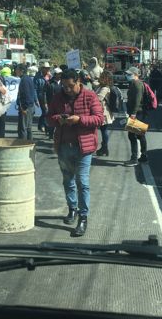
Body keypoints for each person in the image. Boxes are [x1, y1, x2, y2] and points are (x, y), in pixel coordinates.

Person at [47, 69, 104, 237]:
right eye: (64, 86)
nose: (67, 89)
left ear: (78, 81)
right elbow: (48, 118)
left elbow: (99, 119)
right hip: (64, 145)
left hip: (84, 148)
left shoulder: (90, 96)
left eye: (70, 86)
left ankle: (83, 217)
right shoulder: (58, 96)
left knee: (82, 182)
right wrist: (59, 119)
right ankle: (72, 209)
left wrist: (80, 119)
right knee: (68, 180)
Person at [125, 66, 148, 167]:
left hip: (137, 112)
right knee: (140, 135)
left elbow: (137, 100)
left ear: (135, 75)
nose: (127, 76)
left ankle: (134, 159)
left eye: (129, 74)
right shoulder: (135, 83)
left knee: (132, 135)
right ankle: (143, 155)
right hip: (139, 112)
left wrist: (133, 114)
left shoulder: (136, 84)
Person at [14, 63, 38, 141]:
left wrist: (24, 108)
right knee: (28, 127)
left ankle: (23, 145)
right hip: (30, 106)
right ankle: (29, 144)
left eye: (17, 70)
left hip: (27, 107)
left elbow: (26, 95)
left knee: (23, 128)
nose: (15, 71)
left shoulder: (24, 80)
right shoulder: (27, 78)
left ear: (22, 70)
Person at [95, 70, 115, 157]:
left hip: (104, 112)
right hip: (103, 111)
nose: (100, 77)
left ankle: (104, 148)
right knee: (104, 130)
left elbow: (98, 98)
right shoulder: (102, 86)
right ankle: (104, 148)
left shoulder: (105, 88)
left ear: (105, 78)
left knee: (104, 130)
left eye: (102, 76)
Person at [44, 67, 63, 140]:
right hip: (51, 104)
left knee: (60, 119)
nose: (60, 75)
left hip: (61, 104)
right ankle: (50, 134)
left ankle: (59, 135)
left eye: (61, 74)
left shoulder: (63, 82)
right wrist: (45, 102)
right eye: (58, 74)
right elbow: (44, 93)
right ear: (55, 74)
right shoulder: (49, 82)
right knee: (52, 119)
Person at [34, 62, 50, 133]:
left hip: (49, 95)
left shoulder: (50, 76)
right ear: (42, 69)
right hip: (41, 96)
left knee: (47, 112)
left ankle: (41, 124)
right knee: (45, 111)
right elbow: (34, 89)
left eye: (48, 68)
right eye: (46, 68)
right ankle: (44, 126)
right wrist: (36, 99)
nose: (47, 69)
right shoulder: (37, 77)